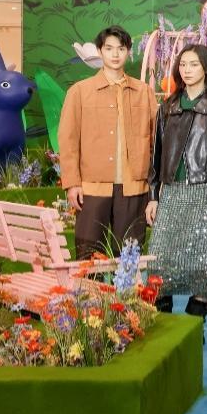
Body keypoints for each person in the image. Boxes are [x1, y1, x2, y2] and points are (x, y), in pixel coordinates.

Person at [58, 25, 157, 260]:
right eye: (109, 48)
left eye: (121, 49)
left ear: (128, 52)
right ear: (100, 51)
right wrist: (72, 183)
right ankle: (90, 287)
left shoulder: (144, 92)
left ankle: (127, 286)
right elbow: (68, 140)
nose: (115, 54)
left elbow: (156, 141)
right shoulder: (79, 92)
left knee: (129, 255)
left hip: (134, 187)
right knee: (89, 254)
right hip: (92, 187)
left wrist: (155, 189)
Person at [143, 45, 207, 324]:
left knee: (201, 265)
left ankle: (194, 329)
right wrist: (153, 196)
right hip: (171, 193)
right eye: (183, 64)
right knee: (159, 261)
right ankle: (160, 325)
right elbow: (156, 154)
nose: (187, 70)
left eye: (194, 64)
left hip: (205, 192)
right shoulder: (167, 107)